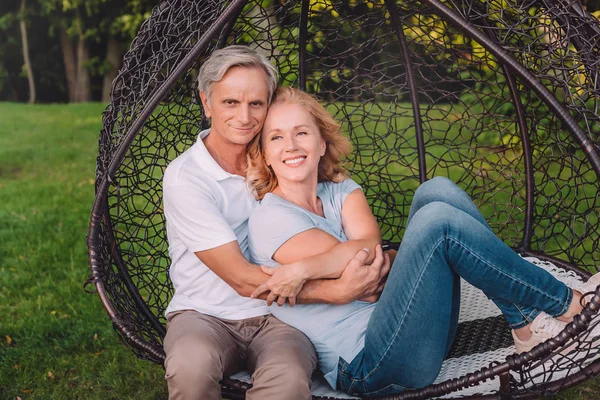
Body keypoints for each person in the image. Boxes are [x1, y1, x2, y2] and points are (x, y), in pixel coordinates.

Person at [246, 86, 600, 397]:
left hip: (416, 331)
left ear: (322, 142)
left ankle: (523, 322)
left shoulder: (340, 190)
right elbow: (370, 264)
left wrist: (308, 269)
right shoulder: (271, 218)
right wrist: (377, 261)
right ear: (264, 152)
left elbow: (368, 255)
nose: (291, 145)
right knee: (436, 223)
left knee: (437, 190)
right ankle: (570, 303)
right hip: (371, 366)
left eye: (301, 133)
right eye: (276, 137)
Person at [162, 46, 389, 400]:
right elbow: (240, 278)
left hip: (281, 318)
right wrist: (337, 292)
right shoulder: (186, 178)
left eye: (257, 103)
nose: (245, 116)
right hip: (205, 314)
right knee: (191, 369)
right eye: (230, 103)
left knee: (286, 380)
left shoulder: (277, 162)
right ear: (207, 104)